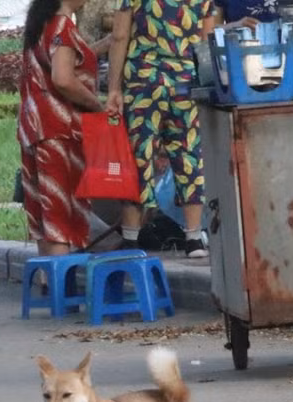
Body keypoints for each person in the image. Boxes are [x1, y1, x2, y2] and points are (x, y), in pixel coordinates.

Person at [107, 0, 213, 258]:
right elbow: (207, 42)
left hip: (144, 83)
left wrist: (113, 88)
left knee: (138, 157)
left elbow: (120, 36)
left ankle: (131, 237)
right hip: (185, 85)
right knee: (188, 154)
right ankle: (193, 238)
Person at [18, 0, 111, 256]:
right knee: (61, 214)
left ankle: (50, 285)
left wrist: (102, 47)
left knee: (44, 215)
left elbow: (63, 61)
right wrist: (96, 105)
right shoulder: (63, 27)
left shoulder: (42, 26)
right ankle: (64, 290)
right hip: (58, 130)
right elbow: (63, 79)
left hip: (33, 129)